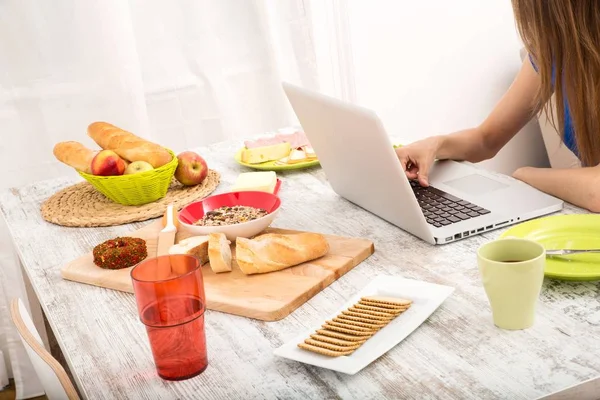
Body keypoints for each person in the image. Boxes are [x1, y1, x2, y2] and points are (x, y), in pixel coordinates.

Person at [395, 0, 600, 212]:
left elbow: (596, 191)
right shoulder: (553, 53)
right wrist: (435, 145)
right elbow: (486, 139)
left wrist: (524, 174)